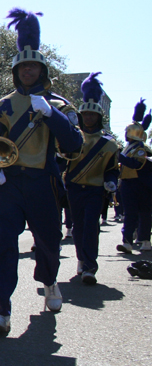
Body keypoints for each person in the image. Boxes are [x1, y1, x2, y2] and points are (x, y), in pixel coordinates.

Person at [0, 9, 83, 333]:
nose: (28, 70)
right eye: (23, 66)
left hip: (44, 182)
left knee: (48, 243)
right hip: (11, 182)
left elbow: (73, 145)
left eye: (34, 66)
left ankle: (50, 280)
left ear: (42, 69)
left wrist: (52, 113)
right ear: (16, 70)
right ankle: (2, 308)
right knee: (4, 247)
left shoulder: (60, 104)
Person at [65, 73, 119, 285]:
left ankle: (90, 266)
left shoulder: (109, 143)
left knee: (91, 225)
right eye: (85, 115)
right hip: (74, 187)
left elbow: (112, 168)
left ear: (98, 117)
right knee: (78, 226)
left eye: (92, 115)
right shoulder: (73, 136)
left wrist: (111, 179)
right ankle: (81, 258)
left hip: (96, 189)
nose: (88, 118)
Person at [116, 99, 152, 254]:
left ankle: (145, 240)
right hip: (127, 183)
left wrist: (118, 155)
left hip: (141, 183)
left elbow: (136, 164)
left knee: (144, 212)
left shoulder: (141, 149)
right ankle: (127, 241)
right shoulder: (128, 147)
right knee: (129, 213)